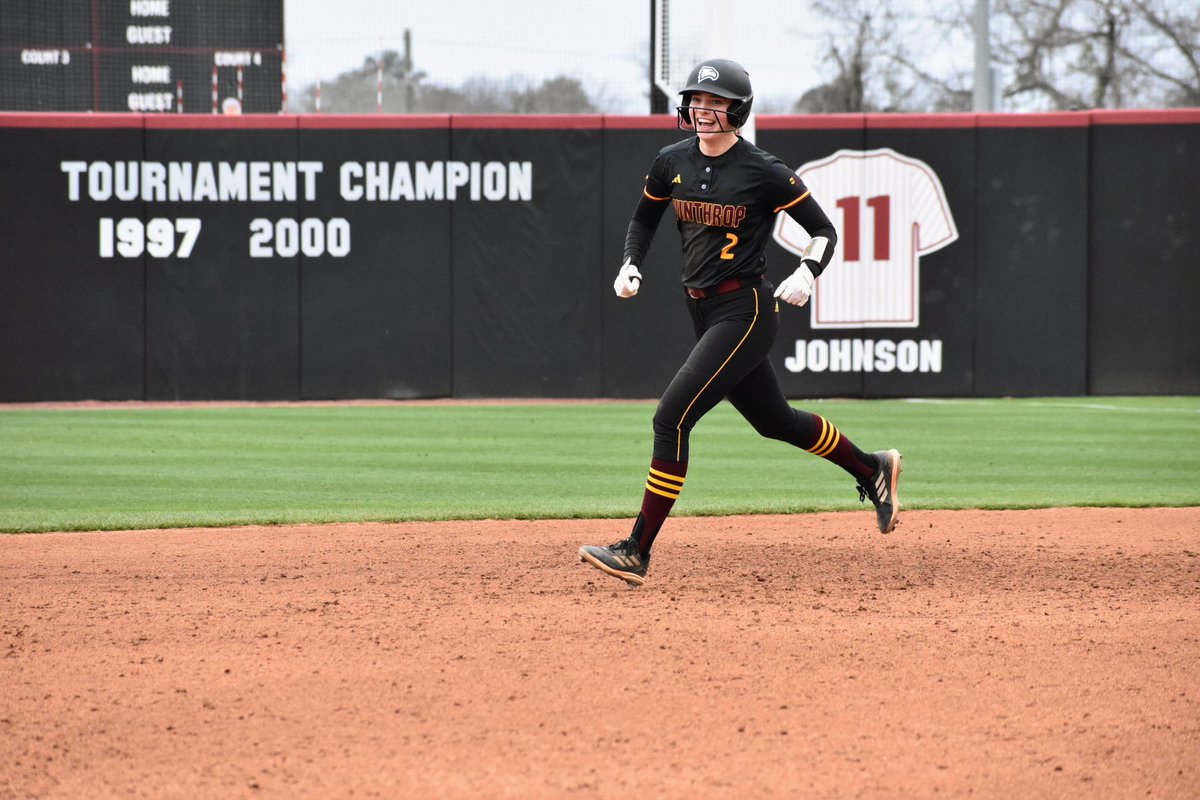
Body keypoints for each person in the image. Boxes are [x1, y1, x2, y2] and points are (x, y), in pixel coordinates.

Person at [578, 58, 903, 587]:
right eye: (698, 100)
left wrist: (808, 270)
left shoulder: (764, 170)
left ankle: (637, 550)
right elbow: (644, 217)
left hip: (746, 310)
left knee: (671, 419)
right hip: (701, 308)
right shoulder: (671, 160)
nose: (703, 110)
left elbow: (823, 230)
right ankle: (872, 469)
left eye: (716, 102)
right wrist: (631, 260)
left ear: (739, 110)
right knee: (775, 421)